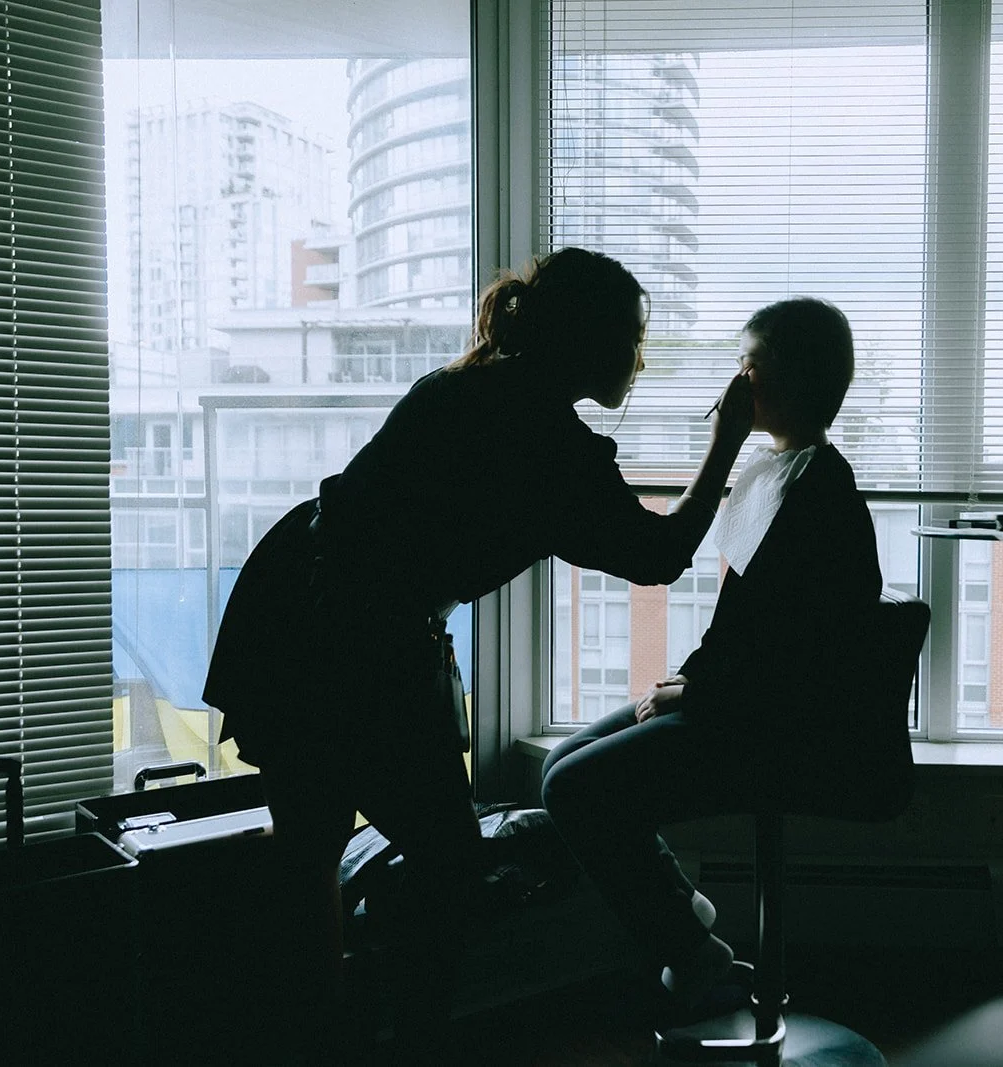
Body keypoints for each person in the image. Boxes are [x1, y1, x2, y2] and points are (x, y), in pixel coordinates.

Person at [201, 247, 754, 1063]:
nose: (638, 361)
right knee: (446, 864)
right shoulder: (543, 440)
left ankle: (327, 1038)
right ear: (589, 338)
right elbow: (660, 554)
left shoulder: (474, 387)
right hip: (352, 633)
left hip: (294, 596)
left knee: (313, 850)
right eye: (631, 339)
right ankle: (407, 1042)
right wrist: (726, 440)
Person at [540, 297, 899, 1013]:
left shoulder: (816, 490)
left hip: (784, 726)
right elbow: (746, 627)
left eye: (749, 365)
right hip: (742, 699)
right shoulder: (775, 471)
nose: (736, 381)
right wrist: (690, 679)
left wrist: (691, 693)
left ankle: (690, 950)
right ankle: (681, 914)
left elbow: (796, 659)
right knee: (559, 765)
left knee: (576, 789)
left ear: (790, 379)